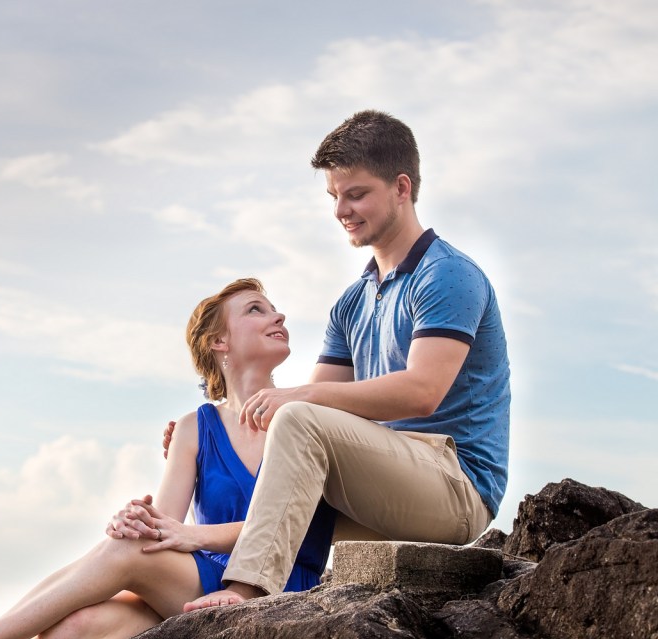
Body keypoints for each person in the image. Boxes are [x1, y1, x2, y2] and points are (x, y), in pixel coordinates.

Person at [0, 278, 336, 639]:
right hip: (196, 586)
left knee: (129, 551)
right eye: (256, 309)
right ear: (219, 342)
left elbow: (291, 527)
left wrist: (177, 536)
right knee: (75, 629)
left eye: (272, 308)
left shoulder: (304, 419)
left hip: (276, 584)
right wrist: (137, 522)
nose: (278, 315)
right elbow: (163, 529)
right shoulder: (196, 427)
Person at [156, 110, 511, 611]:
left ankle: (248, 591)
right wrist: (207, 436)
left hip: (455, 485)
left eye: (356, 194)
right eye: (334, 197)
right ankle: (189, 550)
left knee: (301, 419)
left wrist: (299, 399)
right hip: (383, 480)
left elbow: (420, 393)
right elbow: (302, 421)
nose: (341, 209)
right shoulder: (352, 302)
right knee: (293, 445)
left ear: (401, 187)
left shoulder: (447, 275)